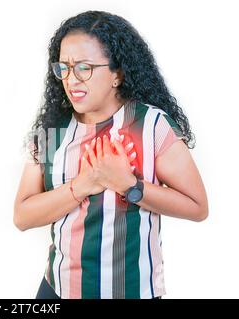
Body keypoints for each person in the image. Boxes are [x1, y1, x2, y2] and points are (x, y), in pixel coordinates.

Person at [13, 10, 208, 299]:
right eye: (64, 67)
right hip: (57, 291)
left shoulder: (151, 126)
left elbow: (197, 207)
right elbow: (22, 216)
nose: (71, 79)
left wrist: (130, 186)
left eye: (84, 68)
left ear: (117, 73)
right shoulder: (51, 130)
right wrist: (84, 184)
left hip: (132, 292)